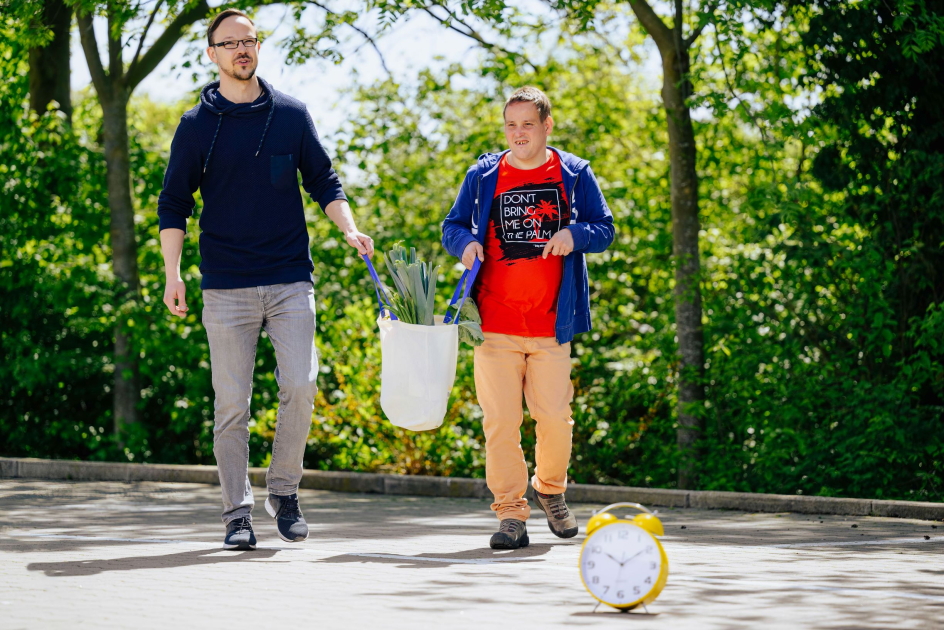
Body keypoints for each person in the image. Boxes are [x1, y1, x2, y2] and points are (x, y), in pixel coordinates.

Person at [157, 9, 373, 551]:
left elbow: (324, 179)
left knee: (301, 384)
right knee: (232, 406)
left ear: (258, 47)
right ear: (212, 54)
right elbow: (174, 203)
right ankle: (237, 514)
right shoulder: (195, 125)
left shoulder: (291, 114)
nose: (241, 49)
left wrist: (349, 228)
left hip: (289, 278)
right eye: (230, 43)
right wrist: (172, 274)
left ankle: (284, 491)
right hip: (225, 284)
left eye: (249, 40)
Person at [441, 86, 614, 549]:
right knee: (500, 424)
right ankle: (510, 514)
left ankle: (550, 490)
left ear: (546, 126)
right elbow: (451, 226)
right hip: (493, 324)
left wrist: (576, 234)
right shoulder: (483, 175)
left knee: (555, 419)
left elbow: (605, 228)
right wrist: (465, 244)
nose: (518, 134)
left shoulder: (574, 173)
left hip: (551, 326)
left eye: (528, 125)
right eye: (511, 125)